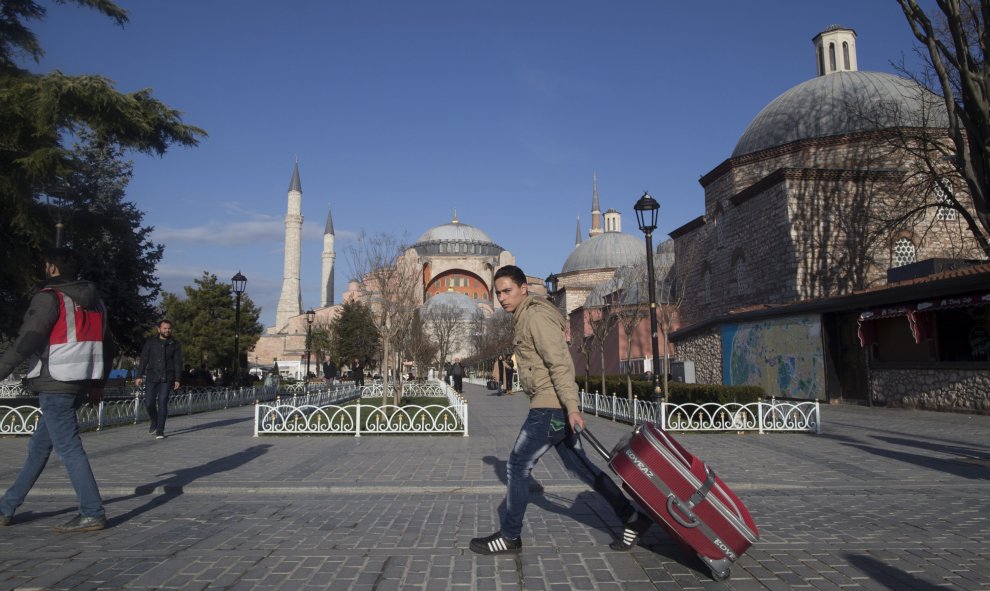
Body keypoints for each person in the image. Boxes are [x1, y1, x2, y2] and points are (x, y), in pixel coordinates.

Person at [470, 265, 651, 555]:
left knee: (517, 466)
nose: (502, 297)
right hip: (551, 406)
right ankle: (633, 518)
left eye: (508, 291)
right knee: (582, 467)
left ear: (523, 288)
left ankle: (510, 536)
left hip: (549, 409)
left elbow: (560, 364)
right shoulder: (524, 316)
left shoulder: (535, 316)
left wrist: (572, 408)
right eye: (498, 292)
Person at [0, 247, 113, 532]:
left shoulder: (50, 297)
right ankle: (6, 507)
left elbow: (27, 340)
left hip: (55, 379)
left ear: (51, 268)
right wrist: (98, 383)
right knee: (39, 447)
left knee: (69, 448)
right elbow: (108, 345)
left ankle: (92, 511)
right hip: (80, 380)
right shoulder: (96, 302)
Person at [135, 319, 182, 439]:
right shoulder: (151, 342)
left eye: (169, 328)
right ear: (159, 329)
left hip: (167, 377)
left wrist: (177, 379)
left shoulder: (174, 344)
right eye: (165, 328)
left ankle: (160, 430)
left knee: (162, 402)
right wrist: (139, 375)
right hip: (152, 376)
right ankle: (154, 421)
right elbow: (144, 359)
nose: (167, 330)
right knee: (149, 403)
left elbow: (177, 362)